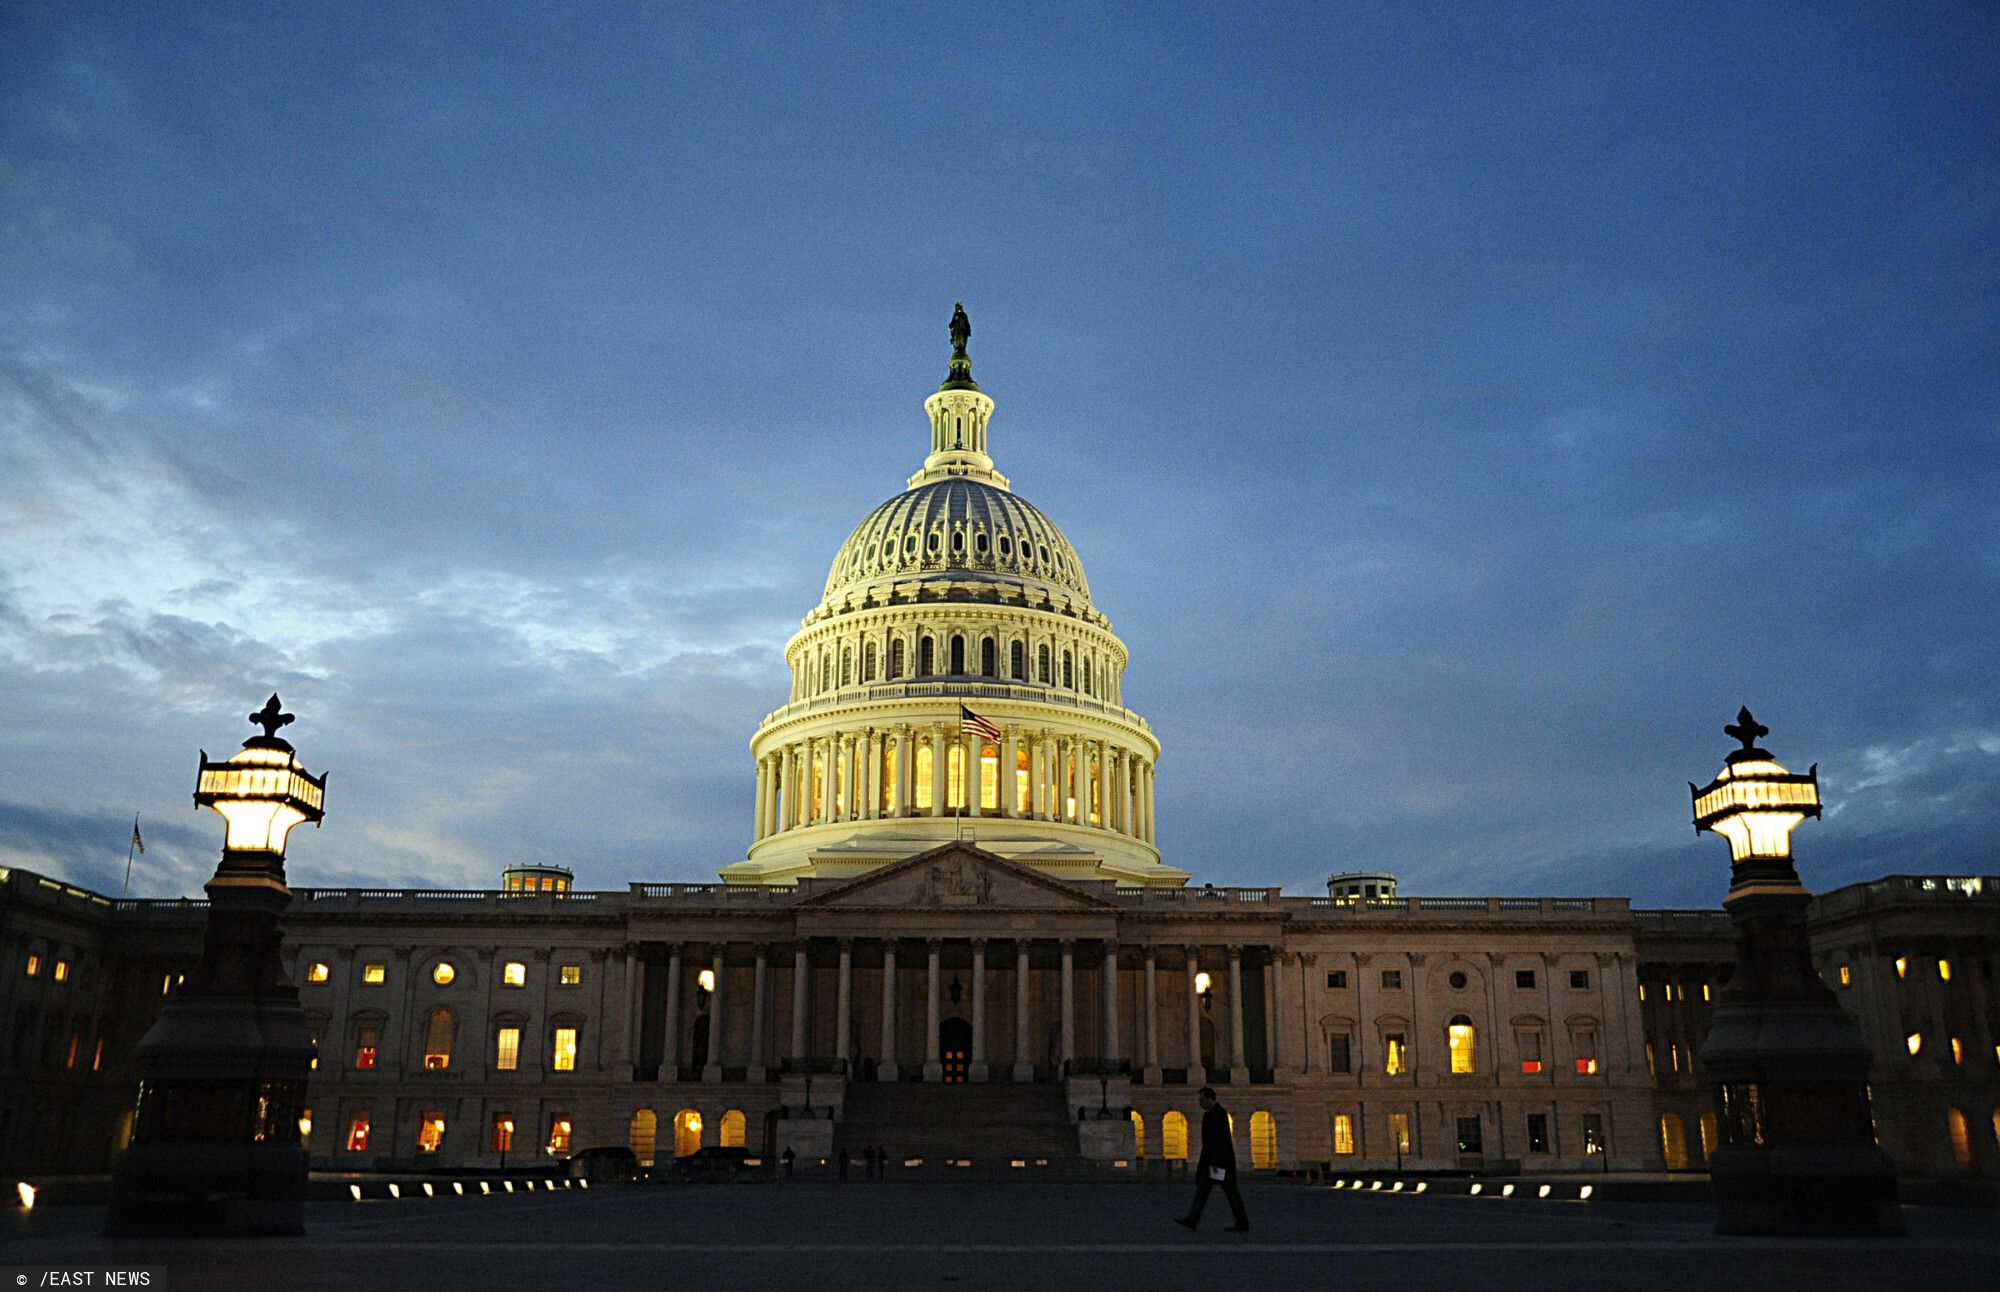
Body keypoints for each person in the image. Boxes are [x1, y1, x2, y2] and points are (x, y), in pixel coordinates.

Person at [1174, 1087, 1249, 1232]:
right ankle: (1193, 1219)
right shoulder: (1212, 1114)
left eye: (1202, 1100)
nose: (1200, 1103)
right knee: (1206, 1190)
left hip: (1219, 1164)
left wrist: (1215, 1164)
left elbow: (1220, 1141)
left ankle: (1241, 1221)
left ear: (1210, 1098)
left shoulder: (1218, 1114)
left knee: (1230, 1192)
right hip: (1214, 1164)